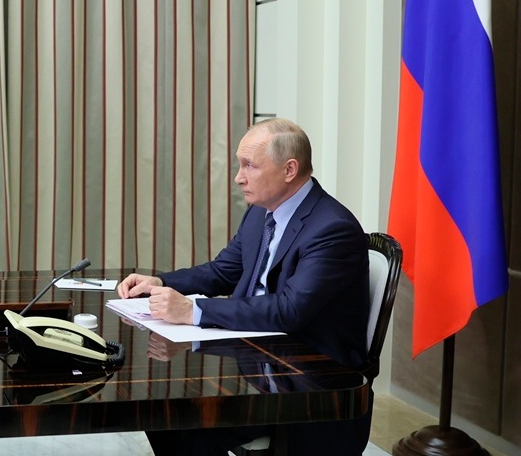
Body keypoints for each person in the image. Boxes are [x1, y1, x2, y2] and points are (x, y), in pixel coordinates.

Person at [118, 118, 371, 456]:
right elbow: (222, 271)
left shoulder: (332, 229)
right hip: (255, 356)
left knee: (187, 424)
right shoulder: (260, 213)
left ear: (289, 169)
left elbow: (289, 310)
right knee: (158, 408)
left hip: (306, 380)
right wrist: (161, 281)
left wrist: (192, 310)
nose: (238, 177)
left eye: (249, 165)